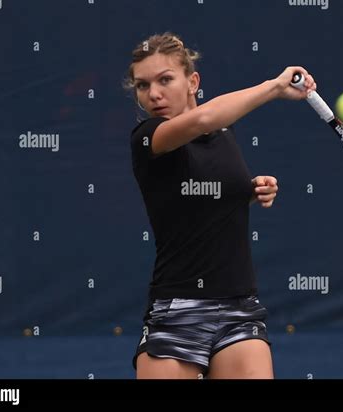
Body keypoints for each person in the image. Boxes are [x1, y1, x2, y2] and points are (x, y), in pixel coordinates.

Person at [123, 32, 316, 379]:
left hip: (239, 308)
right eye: (142, 85)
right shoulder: (148, 138)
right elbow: (201, 120)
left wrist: (251, 190)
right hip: (176, 312)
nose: (153, 94)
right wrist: (273, 87)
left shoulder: (224, 134)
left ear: (192, 81)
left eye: (165, 80)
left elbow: (201, 191)